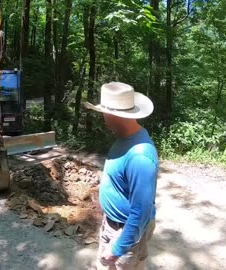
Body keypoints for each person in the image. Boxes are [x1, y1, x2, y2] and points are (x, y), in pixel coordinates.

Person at [84, 82, 159, 270]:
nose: (103, 117)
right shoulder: (124, 139)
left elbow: (141, 212)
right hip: (114, 225)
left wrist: (118, 248)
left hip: (124, 232)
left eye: (103, 112)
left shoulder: (140, 155)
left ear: (112, 115)